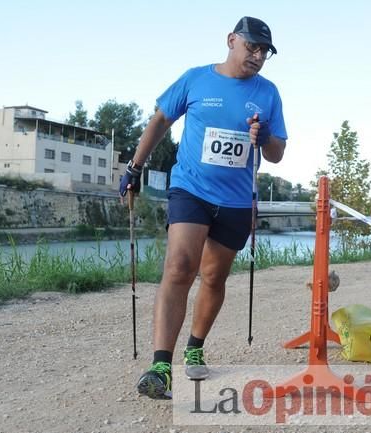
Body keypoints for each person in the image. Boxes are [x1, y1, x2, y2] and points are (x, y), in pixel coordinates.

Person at [120, 16, 287, 399]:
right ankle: (161, 365)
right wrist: (134, 167)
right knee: (180, 266)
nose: (258, 56)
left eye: (264, 52)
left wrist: (264, 139)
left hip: (235, 200)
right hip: (191, 189)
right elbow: (161, 119)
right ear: (231, 40)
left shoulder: (268, 93)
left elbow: (278, 154)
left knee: (213, 278)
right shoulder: (196, 79)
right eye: (252, 47)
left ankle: (195, 347)